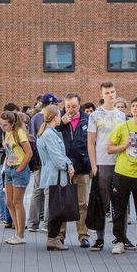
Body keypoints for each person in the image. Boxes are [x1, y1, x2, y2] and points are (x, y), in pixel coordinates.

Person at [87, 82, 127, 251]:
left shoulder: (121, 115)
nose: (111, 95)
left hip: (120, 164)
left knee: (120, 203)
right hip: (102, 163)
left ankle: (121, 237)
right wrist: (93, 165)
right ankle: (100, 238)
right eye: (107, 92)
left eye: (112, 92)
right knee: (101, 202)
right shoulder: (94, 116)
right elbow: (90, 142)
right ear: (101, 94)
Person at [108, 96, 137, 254]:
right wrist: (123, 146)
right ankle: (119, 240)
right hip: (122, 173)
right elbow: (109, 149)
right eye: (133, 106)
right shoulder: (122, 126)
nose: (135, 108)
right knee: (119, 209)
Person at [54, 94, 92, 248]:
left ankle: (83, 235)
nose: (70, 110)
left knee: (82, 203)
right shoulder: (60, 119)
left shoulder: (87, 120)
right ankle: (60, 235)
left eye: (74, 106)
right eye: (68, 106)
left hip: (82, 167)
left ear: (80, 105)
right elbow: (51, 136)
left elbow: (92, 143)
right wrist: (61, 124)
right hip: (63, 168)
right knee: (63, 202)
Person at [36, 105, 74, 251]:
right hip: (55, 177)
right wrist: (68, 165)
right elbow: (57, 158)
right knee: (56, 210)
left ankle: (53, 239)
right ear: (54, 117)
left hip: (54, 175)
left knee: (56, 209)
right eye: (59, 115)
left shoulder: (49, 133)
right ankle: (53, 239)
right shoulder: (49, 135)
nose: (61, 117)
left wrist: (68, 163)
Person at [26, 93, 62, 232]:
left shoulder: (35, 118)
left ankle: (32, 222)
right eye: (56, 104)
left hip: (38, 160)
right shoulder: (44, 120)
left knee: (37, 190)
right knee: (47, 191)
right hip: (46, 161)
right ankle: (46, 223)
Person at [1, 110, 32, 245]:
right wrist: (6, 164)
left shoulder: (19, 132)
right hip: (9, 169)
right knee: (9, 202)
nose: (2, 127)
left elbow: (29, 152)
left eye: (5, 125)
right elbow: (9, 151)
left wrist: (19, 168)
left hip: (19, 168)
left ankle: (21, 234)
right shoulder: (6, 133)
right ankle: (16, 232)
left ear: (12, 124)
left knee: (17, 202)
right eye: (1, 124)